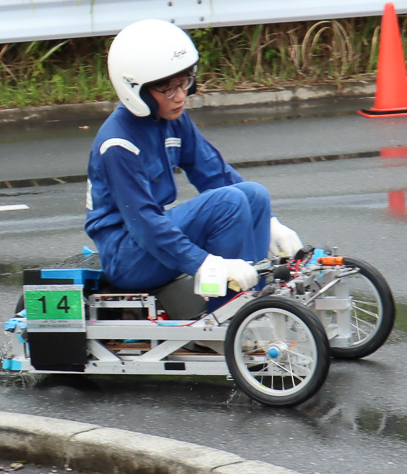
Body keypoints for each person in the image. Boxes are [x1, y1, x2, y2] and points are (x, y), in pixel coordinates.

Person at [86, 20, 304, 297]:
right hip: (127, 256)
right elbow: (145, 224)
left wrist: (271, 223)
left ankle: (254, 299)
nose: (180, 97)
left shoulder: (172, 119)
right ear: (136, 89)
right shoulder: (118, 144)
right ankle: (226, 315)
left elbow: (214, 174)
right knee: (229, 203)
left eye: (184, 83)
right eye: (168, 89)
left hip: (147, 242)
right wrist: (204, 264)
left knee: (253, 194)